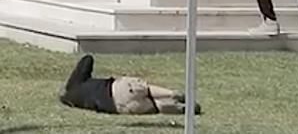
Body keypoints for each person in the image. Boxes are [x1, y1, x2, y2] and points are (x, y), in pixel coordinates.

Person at [60, 54, 201, 116]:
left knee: (153, 105)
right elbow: (88, 59)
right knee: (146, 89)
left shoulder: (74, 99)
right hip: (116, 90)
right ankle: (173, 94)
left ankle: (180, 109)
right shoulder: (76, 83)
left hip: (118, 108)